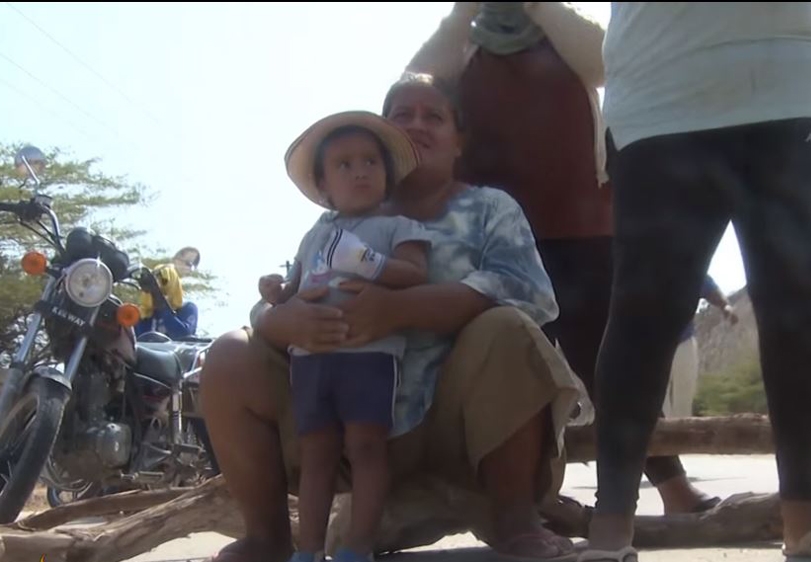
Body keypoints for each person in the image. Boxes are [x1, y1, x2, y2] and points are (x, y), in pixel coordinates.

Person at [200, 71, 581, 562]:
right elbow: (288, 292)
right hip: (341, 422)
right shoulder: (332, 224)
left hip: (458, 427)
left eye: (434, 116)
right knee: (229, 352)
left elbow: (528, 292)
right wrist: (280, 319)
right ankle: (268, 536)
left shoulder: (490, 208)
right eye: (403, 115)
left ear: (458, 141)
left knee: (508, 327)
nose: (417, 124)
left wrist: (401, 310)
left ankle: (515, 519)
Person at [584, 3, 811, 562]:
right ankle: (610, 524)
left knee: (797, 305)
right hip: (659, 92)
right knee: (644, 311)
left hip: (787, 83)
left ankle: (804, 515)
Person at [407, 1, 718, 516]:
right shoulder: (463, 45)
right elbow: (418, 79)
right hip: (494, 239)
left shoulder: (564, 30)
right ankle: (525, 501)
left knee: (612, 363)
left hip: (582, 227)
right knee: (510, 369)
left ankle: (671, 488)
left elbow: (605, 62)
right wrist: (465, 10)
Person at [258, 111, 433, 562]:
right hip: (311, 358)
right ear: (324, 185)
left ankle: (358, 547)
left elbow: (416, 274)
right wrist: (277, 292)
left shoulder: (398, 226)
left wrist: (370, 264)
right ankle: (308, 549)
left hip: (369, 355)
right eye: (344, 164)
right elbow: (296, 286)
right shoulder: (314, 235)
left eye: (370, 161)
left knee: (366, 446)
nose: (360, 172)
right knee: (316, 452)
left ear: (387, 175)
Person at [662, 275, 738, 420]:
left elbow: (710, 290)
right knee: (656, 402)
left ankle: (681, 431)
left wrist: (725, 306)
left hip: (683, 342)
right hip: (652, 346)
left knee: (683, 401)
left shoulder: (689, 269)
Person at [136, 262, 199, 340]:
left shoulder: (188, 308)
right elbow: (138, 339)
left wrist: (162, 305)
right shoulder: (144, 314)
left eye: (163, 283)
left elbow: (183, 335)